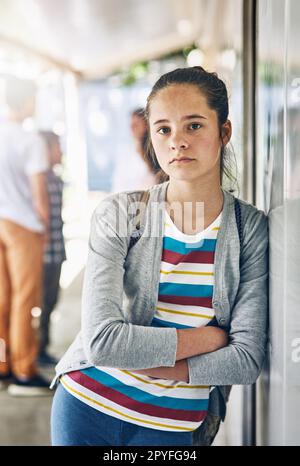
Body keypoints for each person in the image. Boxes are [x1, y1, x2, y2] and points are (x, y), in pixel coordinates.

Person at [50, 66, 268, 446]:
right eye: (164, 129)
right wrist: (209, 339)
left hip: (173, 428)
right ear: (151, 137)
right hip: (87, 407)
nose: (177, 142)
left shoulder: (249, 228)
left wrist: (140, 356)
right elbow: (101, 343)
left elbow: (245, 361)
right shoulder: (120, 213)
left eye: (194, 126)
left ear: (224, 132)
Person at [0, 76, 51, 395]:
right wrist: (44, 228)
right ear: (27, 100)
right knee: (24, 300)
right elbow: (39, 195)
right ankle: (24, 370)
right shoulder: (30, 140)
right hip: (22, 225)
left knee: (1, 299)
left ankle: (2, 364)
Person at [38, 131, 66, 366]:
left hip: (57, 251)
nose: (61, 152)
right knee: (40, 303)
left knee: (51, 301)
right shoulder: (38, 180)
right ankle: (36, 350)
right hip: (41, 255)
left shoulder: (55, 178)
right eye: (57, 147)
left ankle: (42, 347)